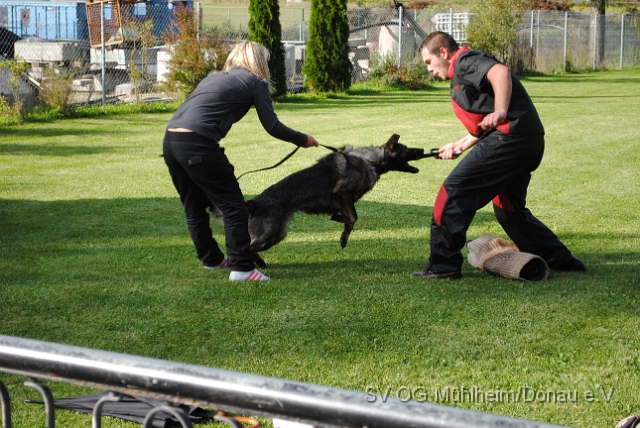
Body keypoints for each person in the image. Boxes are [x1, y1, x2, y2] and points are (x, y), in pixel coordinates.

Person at [412, 31, 585, 280]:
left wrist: (501, 110)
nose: (428, 69)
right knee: (509, 210)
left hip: (511, 138)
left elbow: (500, 73)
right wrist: (459, 145)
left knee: (452, 194)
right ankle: (562, 261)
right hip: (526, 139)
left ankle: (443, 266)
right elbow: (485, 125)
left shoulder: (465, 60)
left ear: (443, 52)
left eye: (428, 62)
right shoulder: (462, 71)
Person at [163, 41, 319, 282]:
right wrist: (304, 139)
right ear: (258, 61)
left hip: (171, 139)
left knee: (194, 206)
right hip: (198, 142)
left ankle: (212, 260)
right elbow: (273, 126)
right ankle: (242, 269)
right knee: (234, 206)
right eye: (264, 60)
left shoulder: (213, 77)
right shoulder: (256, 82)